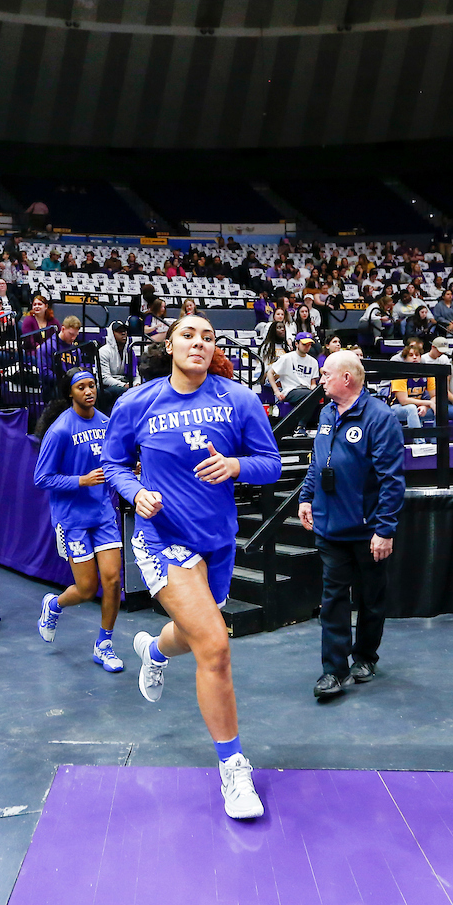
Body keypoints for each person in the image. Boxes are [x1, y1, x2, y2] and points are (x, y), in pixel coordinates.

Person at [101, 314, 281, 820]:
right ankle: (234, 768)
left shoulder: (238, 400)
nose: (198, 342)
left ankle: (154, 649)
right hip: (163, 540)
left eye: (208, 337)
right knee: (216, 645)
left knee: (194, 634)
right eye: (188, 334)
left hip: (218, 544)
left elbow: (271, 463)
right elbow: (114, 464)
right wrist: (137, 494)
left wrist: (235, 466)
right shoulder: (137, 402)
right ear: (170, 344)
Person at [299, 351, 405, 699]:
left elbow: (391, 478)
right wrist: (305, 496)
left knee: (371, 597)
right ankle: (334, 670)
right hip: (330, 525)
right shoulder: (327, 412)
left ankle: (365, 657)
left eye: (326, 373)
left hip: (367, 529)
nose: (321, 379)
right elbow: (318, 460)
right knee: (333, 600)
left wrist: (385, 528)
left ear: (347, 378)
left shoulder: (379, 416)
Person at [33, 369, 124, 673]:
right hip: (72, 519)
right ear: (70, 393)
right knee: (86, 589)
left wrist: (128, 469)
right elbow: (42, 477)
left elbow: (111, 462)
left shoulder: (105, 423)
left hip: (102, 514)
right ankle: (54, 605)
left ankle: (104, 644)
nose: (89, 391)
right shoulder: (59, 430)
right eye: (81, 387)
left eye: (92, 385)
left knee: (112, 581)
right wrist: (80, 480)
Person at [389, 344, 434, 441]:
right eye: (411, 355)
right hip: (396, 408)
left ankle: (437, 444)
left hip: (419, 406)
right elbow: (403, 400)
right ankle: (420, 444)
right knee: (411, 409)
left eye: (417, 355)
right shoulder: (400, 374)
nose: (414, 357)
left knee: (440, 408)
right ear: (405, 359)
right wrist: (428, 403)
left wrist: (425, 406)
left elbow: (434, 396)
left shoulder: (428, 373)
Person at [269, 332, 320, 410]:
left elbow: (312, 383)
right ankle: (303, 422)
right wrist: (276, 391)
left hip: (306, 390)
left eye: (309, 344)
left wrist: (315, 389)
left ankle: (303, 422)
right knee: (311, 396)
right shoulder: (286, 358)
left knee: (317, 396)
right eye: (304, 344)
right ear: (296, 344)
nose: (307, 347)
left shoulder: (313, 361)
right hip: (290, 390)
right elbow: (270, 373)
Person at [98, 321, 133, 413]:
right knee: (124, 391)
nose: (123, 333)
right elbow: (105, 378)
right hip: (107, 386)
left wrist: (137, 383)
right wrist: (124, 385)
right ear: (112, 334)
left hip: (126, 382)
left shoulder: (130, 351)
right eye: (119, 331)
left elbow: (136, 374)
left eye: (125, 331)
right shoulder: (103, 351)